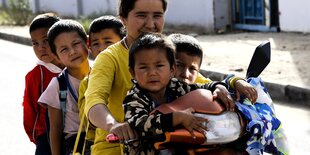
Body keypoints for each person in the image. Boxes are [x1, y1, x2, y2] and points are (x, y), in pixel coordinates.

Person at [84, 0, 233, 154]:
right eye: (141, 15)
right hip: (119, 145)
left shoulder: (167, 50)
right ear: (123, 18)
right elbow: (94, 100)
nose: (150, 24)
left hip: (175, 142)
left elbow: (199, 83)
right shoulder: (110, 59)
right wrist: (114, 126)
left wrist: (228, 84)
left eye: (157, 15)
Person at [123, 33, 233, 154]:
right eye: (144, 67)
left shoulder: (176, 86)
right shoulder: (134, 98)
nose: (152, 73)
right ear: (132, 72)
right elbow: (142, 124)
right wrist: (177, 117)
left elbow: (199, 89)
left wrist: (217, 87)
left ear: (172, 69)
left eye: (159, 66)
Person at [38, 19, 90, 155]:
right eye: (64, 49)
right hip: (74, 146)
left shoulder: (101, 74)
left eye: (76, 44)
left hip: (103, 138)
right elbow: (55, 127)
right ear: (56, 56)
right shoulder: (57, 85)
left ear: (87, 43)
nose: (72, 52)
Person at [77, 15, 126, 149]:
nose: (101, 48)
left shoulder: (133, 69)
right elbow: (87, 122)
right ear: (89, 47)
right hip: (106, 144)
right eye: (96, 43)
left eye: (108, 42)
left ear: (122, 42)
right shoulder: (87, 82)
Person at [168, 33, 257, 103]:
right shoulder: (158, 87)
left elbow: (216, 84)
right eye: (179, 65)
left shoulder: (197, 81)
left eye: (192, 69)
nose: (185, 74)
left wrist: (236, 82)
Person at [22, 13, 63, 155]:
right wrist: (38, 138)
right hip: (46, 137)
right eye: (35, 43)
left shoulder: (74, 67)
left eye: (45, 41)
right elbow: (29, 111)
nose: (40, 48)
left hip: (76, 132)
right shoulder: (35, 75)